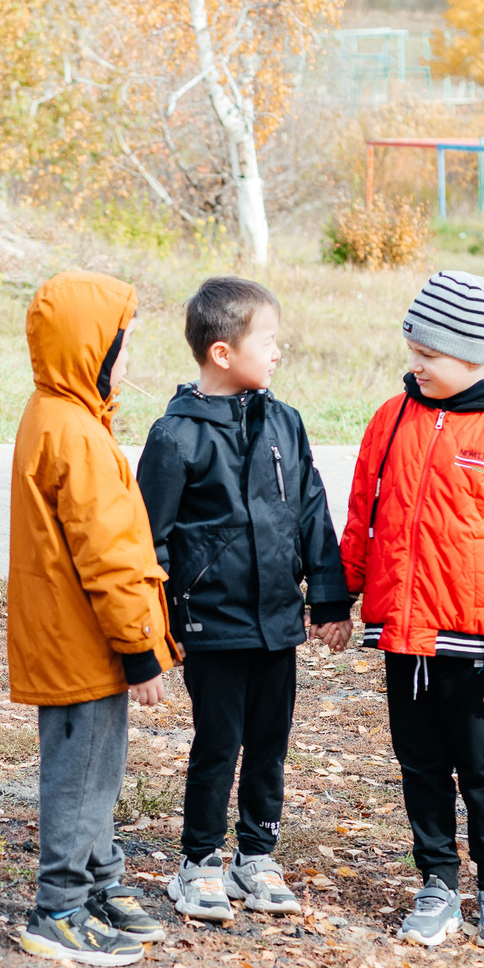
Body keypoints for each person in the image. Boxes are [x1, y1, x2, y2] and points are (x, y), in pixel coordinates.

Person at [338, 271, 484, 948]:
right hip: (404, 635)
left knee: (483, 765)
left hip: (478, 643)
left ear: (475, 353)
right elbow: (361, 516)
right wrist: (336, 593)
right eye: (413, 349)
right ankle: (436, 879)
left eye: (432, 354)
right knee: (418, 761)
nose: (417, 364)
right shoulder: (391, 417)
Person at [137, 275, 349, 926]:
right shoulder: (176, 435)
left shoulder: (285, 422)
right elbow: (150, 539)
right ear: (223, 352)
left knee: (268, 743)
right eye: (268, 340)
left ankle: (255, 856)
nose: (279, 351)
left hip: (277, 622)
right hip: (213, 623)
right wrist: (157, 627)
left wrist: (331, 597)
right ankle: (198, 862)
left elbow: (311, 510)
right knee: (218, 742)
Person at [8, 271, 177, 967]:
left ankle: (99, 884)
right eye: (122, 346)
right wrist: (142, 649)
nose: (128, 360)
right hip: (84, 643)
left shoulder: (60, 414)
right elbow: (109, 554)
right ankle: (61, 908)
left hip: (78, 639)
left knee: (98, 772)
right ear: (91, 349)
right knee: (80, 779)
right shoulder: (74, 432)